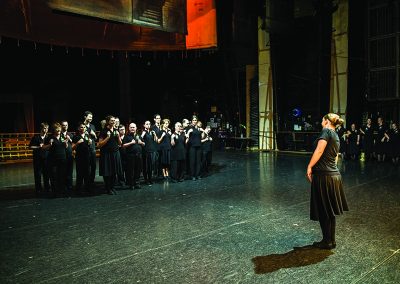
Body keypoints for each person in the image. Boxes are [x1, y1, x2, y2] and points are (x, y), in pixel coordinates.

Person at [306, 113, 349, 249]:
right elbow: (335, 156)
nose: (321, 122)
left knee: (324, 210)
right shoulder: (336, 135)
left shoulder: (326, 132)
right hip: (333, 175)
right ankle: (331, 240)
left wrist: (310, 166)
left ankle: (327, 241)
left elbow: (319, 151)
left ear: (326, 121)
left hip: (324, 176)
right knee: (329, 211)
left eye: (322, 119)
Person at [97, 115, 123, 195]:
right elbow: (99, 145)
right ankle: (108, 188)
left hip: (115, 153)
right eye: (112, 120)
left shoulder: (115, 130)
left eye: (114, 120)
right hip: (106, 154)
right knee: (107, 172)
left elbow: (120, 143)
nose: (114, 122)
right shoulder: (104, 131)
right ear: (108, 121)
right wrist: (107, 137)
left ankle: (112, 187)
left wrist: (118, 137)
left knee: (114, 171)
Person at [29, 122, 50, 194]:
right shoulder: (35, 137)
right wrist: (38, 147)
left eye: (47, 128)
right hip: (38, 159)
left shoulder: (48, 138)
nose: (46, 130)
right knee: (38, 174)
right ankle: (38, 189)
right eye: (45, 128)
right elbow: (30, 146)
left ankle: (47, 187)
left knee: (46, 174)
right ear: (41, 129)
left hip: (46, 159)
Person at [72, 123, 92, 194]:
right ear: (78, 128)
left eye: (84, 127)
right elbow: (72, 147)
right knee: (80, 173)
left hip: (87, 156)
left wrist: (90, 143)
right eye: (81, 127)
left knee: (87, 173)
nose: (83, 128)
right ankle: (78, 189)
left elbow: (89, 146)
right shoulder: (75, 136)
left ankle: (88, 188)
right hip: (79, 157)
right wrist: (78, 143)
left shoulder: (87, 135)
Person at [83, 111, 97, 187]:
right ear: (85, 117)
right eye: (89, 117)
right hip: (85, 150)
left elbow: (95, 137)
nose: (91, 118)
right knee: (86, 167)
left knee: (93, 166)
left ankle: (91, 181)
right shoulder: (81, 126)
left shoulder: (93, 126)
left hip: (92, 149)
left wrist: (94, 134)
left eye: (92, 117)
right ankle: (87, 183)